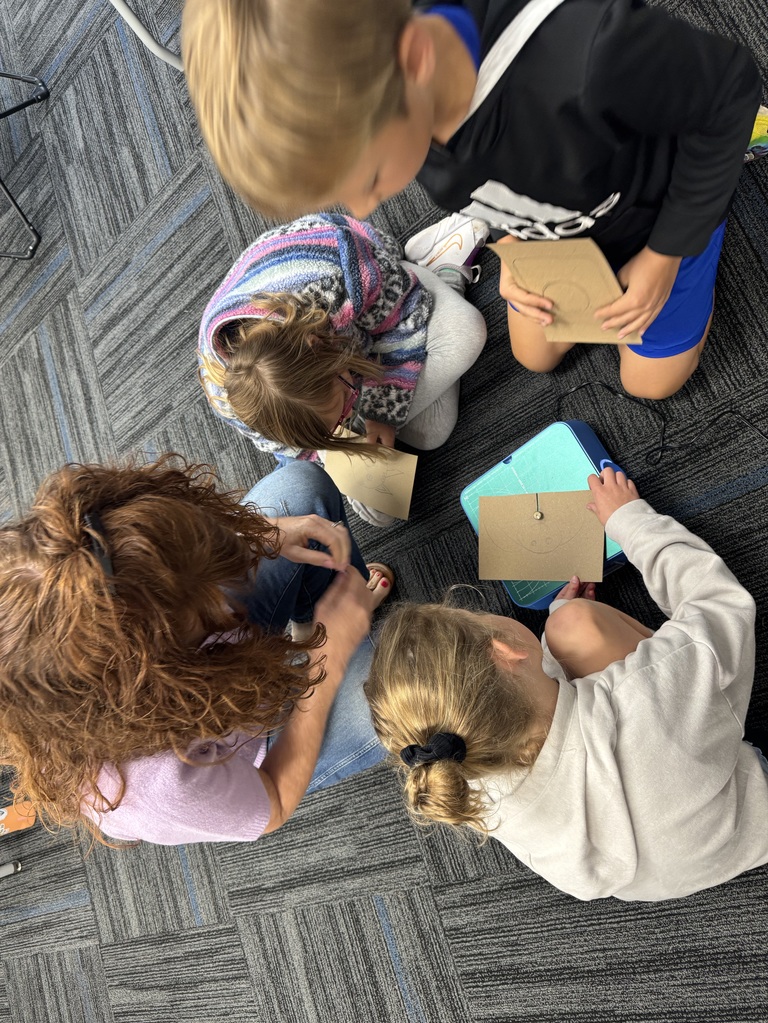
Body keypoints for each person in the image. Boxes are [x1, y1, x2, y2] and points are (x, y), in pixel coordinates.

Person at [181, 0, 762, 399]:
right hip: (555, 235)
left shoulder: (591, 58)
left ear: (414, 60)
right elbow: (488, 194)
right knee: (535, 357)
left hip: (657, 216)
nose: (361, 210)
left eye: (372, 174)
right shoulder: (395, 102)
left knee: (647, 385)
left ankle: (702, 241)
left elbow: (733, 90)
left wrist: (665, 255)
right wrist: (513, 255)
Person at [364, 467, 768, 901]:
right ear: (503, 651)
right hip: (747, 814)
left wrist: (561, 618)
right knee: (599, 638)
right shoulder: (644, 695)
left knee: (568, 626)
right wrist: (630, 521)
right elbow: (719, 603)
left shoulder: (465, 771)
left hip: (663, 869)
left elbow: (543, 715)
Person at [0, 454, 393, 845]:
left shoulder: (105, 561)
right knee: (407, 685)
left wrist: (259, 536)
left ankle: (324, 622)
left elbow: (174, 561)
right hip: (252, 742)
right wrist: (329, 658)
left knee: (301, 488)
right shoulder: (151, 790)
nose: (228, 599)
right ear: (148, 675)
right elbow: (273, 802)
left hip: (195, 672)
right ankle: (334, 639)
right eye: (204, 608)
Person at [198, 212, 487, 527]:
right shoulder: (227, 396)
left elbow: (406, 311)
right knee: (421, 452)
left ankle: (440, 271)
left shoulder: (340, 274)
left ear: (319, 345)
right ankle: (345, 411)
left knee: (467, 335)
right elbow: (292, 450)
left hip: (384, 286)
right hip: (333, 363)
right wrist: (330, 447)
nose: (343, 421)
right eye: (332, 422)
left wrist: (381, 413)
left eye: (343, 405)